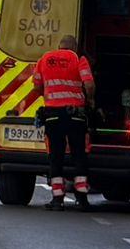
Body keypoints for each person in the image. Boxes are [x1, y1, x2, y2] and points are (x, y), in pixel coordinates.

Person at [34, 33, 97, 209]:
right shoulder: (79, 59)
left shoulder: (45, 59)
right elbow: (89, 84)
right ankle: (82, 198)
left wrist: (48, 96)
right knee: (79, 155)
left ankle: (57, 199)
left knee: (55, 157)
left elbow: (37, 84)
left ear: (59, 46)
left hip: (53, 115)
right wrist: (90, 100)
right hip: (75, 115)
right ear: (74, 47)